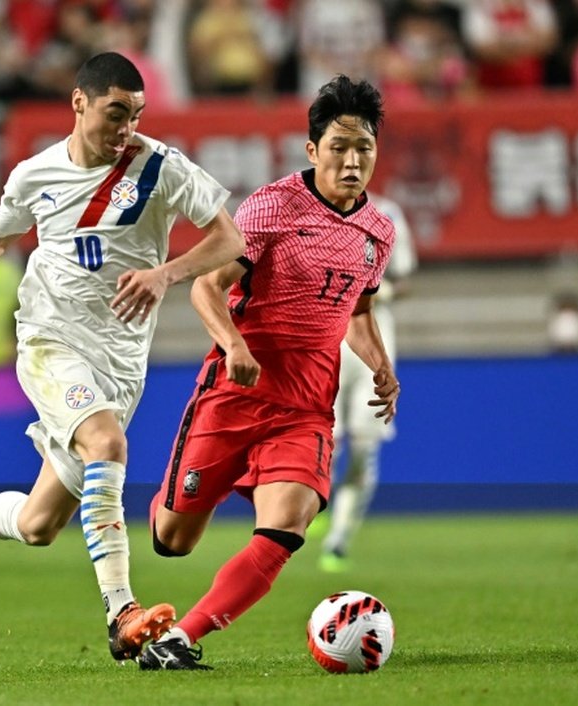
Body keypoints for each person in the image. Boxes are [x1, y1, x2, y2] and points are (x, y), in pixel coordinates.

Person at [0, 51, 245, 663]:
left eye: (135, 115)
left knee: (39, 524)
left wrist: (165, 273)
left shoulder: (161, 168)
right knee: (106, 445)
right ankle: (121, 611)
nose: (126, 129)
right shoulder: (35, 175)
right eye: (115, 114)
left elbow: (229, 238)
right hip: (52, 340)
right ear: (79, 103)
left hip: (121, 361)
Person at [138, 74, 400, 670]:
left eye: (364, 148)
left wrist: (380, 364)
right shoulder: (271, 208)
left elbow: (355, 308)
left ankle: (182, 637)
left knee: (289, 523)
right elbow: (208, 287)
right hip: (235, 393)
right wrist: (232, 343)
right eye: (340, 148)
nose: (353, 161)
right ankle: (191, 491)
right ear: (312, 151)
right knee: (172, 540)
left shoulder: (377, 232)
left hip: (306, 408)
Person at [318, 193, 417, 572]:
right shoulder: (304, 209)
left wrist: (384, 290)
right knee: (326, 438)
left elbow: (404, 278)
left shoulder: (387, 212)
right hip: (324, 338)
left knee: (364, 446)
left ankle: (339, 539)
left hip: (374, 337)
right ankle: (318, 501)